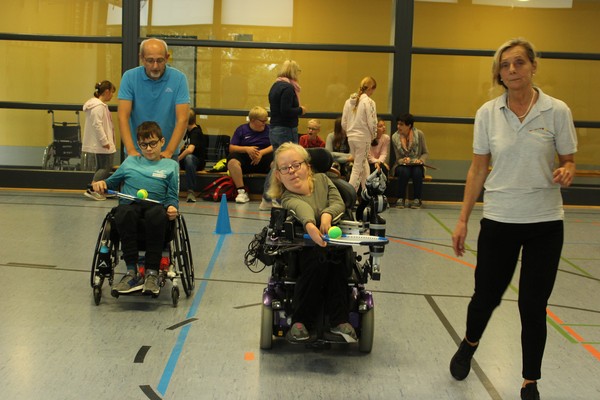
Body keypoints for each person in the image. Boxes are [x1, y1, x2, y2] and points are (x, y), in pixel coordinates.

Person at [450, 38, 577, 400]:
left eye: (519, 63)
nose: (512, 70)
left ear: (534, 66)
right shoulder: (488, 113)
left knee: (533, 306)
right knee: (485, 298)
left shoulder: (557, 111)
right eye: (505, 66)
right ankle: (470, 342)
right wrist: (462, 220)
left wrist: (567, 170)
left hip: (545, 223)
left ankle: (529, 381)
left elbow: (568, 160)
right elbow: (477, 170)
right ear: (499, 74)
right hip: (500, 220)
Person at [267, 142, 357, 342]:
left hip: (334, 247)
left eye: (296, 165)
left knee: (337, 261)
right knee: (316, 260)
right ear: (279, 176)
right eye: (285, 168)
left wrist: (326, 214)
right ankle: (301, 322)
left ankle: (339, 321)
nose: (292, 171)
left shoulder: (324, 180)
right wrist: (309, 225)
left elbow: (337, 202)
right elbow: (301, 209)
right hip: (302, 251)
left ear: (307, 166)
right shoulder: (287, 197)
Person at [92, 121, 179, 296]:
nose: (148, 148)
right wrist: (101, 183)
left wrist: (171, 206)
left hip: (156, 207)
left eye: (153, 143)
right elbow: (111, 183)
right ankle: (131, 272)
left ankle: (152, 273)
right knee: (123, 212)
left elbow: (172, 195)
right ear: (138, 145)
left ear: (162, 141)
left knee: (157, 215)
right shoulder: (130, 162)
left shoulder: (171, 166)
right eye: (143, 145)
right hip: (130, 206)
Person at [118, 38, 190, 160]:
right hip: (136, 152)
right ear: (142, 58)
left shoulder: (179, 79)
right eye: (150, 60)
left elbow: (182, 119)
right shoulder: (129, 77)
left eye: (160, 60)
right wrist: (131, 150)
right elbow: (123, 116)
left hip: (167, 153)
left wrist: (169, 151)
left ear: (167, 57)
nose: (155, 66)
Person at [262, 60, 307, 210]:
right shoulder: (288, 88)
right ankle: (276, 198)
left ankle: (267, 198)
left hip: (274, 128)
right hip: (285, 129)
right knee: (285, 165)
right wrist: (300, 110)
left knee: (277, 163)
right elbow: (286, 110)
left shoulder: (275, 85)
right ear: (294, 72)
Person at [227, 106, 273, 204]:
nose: (264, 123)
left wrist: (261, 153)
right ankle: (241, 192)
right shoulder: (241, 129)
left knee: (277, 162)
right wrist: (246, 149)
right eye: (262, 121)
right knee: (232, 161)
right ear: (252, 120)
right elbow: (231, 148)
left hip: (264, 157)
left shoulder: (270, 129)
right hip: (246, 159)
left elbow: (274, 145)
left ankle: (271, 194)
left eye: (266, 120)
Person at [341, 76, 378, 194]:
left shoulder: (348, 102)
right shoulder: (369, 102)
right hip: (363, 138)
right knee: (357, 168)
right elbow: (372, 122)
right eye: (373, 90)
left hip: (351, 137)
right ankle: (349, 197)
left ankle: (367, 193)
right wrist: (373, 135)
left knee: (363, 164)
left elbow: (343, 123)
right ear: (371, 88)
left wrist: (350, 132)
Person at [83, 80, 117, 201]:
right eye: (112, 92)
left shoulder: (97, 106)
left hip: (101, 144)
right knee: (105, 167)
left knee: (101, 167)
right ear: (106, 91)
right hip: (102, 144)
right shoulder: (98, 107)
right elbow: (97, 125)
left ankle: (100, 189)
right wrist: (105, 141)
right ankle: (93, 188)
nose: (112, 95)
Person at [390, 113, 429, 209]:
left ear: (409, 125)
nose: (398, 126)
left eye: (401, 124)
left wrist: (420, 160)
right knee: (404, 171)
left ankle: (417, 199)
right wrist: (402, 160)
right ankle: (400, 198)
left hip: (416, 164)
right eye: (398, 124)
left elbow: (425, 152)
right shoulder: (395, 137)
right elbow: (398, 157)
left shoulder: (419, 134)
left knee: (417, 171)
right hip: (401, 165)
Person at [178, 109, 205, 203]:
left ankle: (190, 191)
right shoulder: (188, 131)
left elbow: (190, 150)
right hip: (186, 161)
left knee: (189, 158)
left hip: (196, 161)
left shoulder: (196, 132)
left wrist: (177, 159)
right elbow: (185, 146)